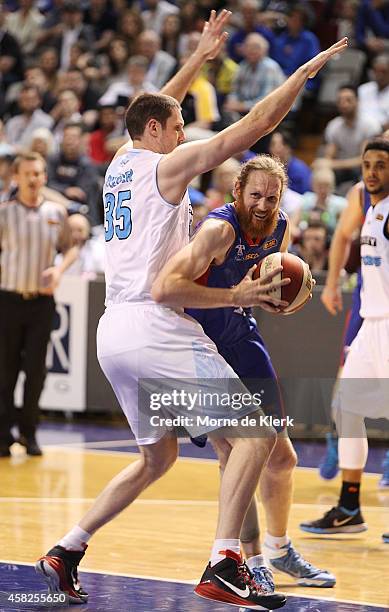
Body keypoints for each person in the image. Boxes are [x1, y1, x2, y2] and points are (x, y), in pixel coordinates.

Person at [35, 13, 347, 605]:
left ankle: (67, 547)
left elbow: (157, 105)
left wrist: (200, 57)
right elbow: (252, 126)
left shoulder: (122, 163)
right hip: (155, 325)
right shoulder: (165, 165)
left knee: (157, 458)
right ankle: (225, 561)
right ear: (156, 131)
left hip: (113, 335)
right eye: (176, 127)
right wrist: (302, 74)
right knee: (257, 432)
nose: (182, 134)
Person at [184, 155, 334, 589]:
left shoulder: (280, 226)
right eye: (256, 195)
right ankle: (251, 562)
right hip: (201, 343)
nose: (264, 204)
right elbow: (174, 289)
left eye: (272, 196)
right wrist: (235, 294)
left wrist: (274, 296)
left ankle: (280, 549)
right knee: (234, 455)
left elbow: (266, 275)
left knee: (282, 457)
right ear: (237, 193)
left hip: (242, 337)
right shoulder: (216, 229)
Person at [299, 138, 389, 544]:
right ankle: (350, 507)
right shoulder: (370, 210)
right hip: (371, 325)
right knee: (346, 408)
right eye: (367, 164)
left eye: (381, 165)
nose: (371, 172)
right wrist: (334, 283)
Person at [0, 152, 78, 457]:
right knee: (5, 371)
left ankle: (29, 433)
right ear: (16, 178)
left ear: (44, 177)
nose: (34, 179)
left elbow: (71, 249)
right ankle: (4, 434)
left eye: (38, 173)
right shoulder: (4, 213)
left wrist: (58, 270)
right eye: (28, 174)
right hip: (7, 300)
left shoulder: (56, 213)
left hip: (41, 304)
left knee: (36, 371)